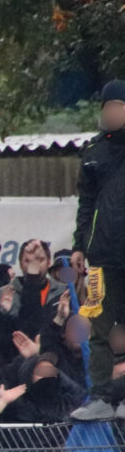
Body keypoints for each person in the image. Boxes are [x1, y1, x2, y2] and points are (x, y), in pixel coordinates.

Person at [72, 78, 125, 419]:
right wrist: (79, 245)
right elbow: (85, 204)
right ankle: (101, 398)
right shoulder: (93, 152)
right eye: (108, 107)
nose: (112, 113)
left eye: (118, 106)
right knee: (99, 329)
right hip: (101, 259)